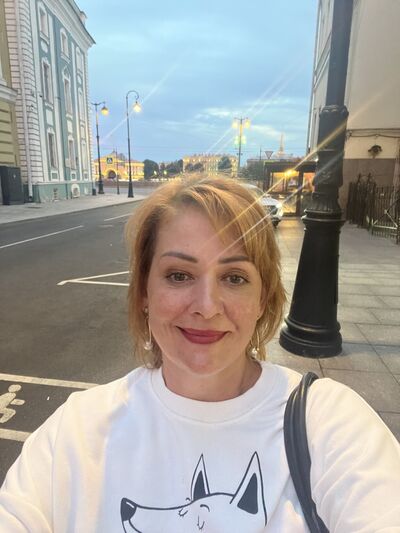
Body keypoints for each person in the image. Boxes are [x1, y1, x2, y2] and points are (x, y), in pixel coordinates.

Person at [0, 175, 399, 532]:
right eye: (179, 275)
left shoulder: (328, 423)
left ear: (263, 298)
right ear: (144, 292)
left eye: (234, 277)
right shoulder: (76, 430)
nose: (206, 307)